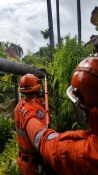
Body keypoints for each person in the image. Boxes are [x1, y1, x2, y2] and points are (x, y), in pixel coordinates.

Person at [20, 57, 98, 175]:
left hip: (33, 162)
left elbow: (53, 147)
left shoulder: (83, 151)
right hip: (31, 165)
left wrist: (27, 115)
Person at [14, 73, 47, 175]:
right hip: (35, 164)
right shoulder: (33, 109)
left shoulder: (20, 106)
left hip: (26, 162)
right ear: (37, 87)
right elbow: (41, 135)